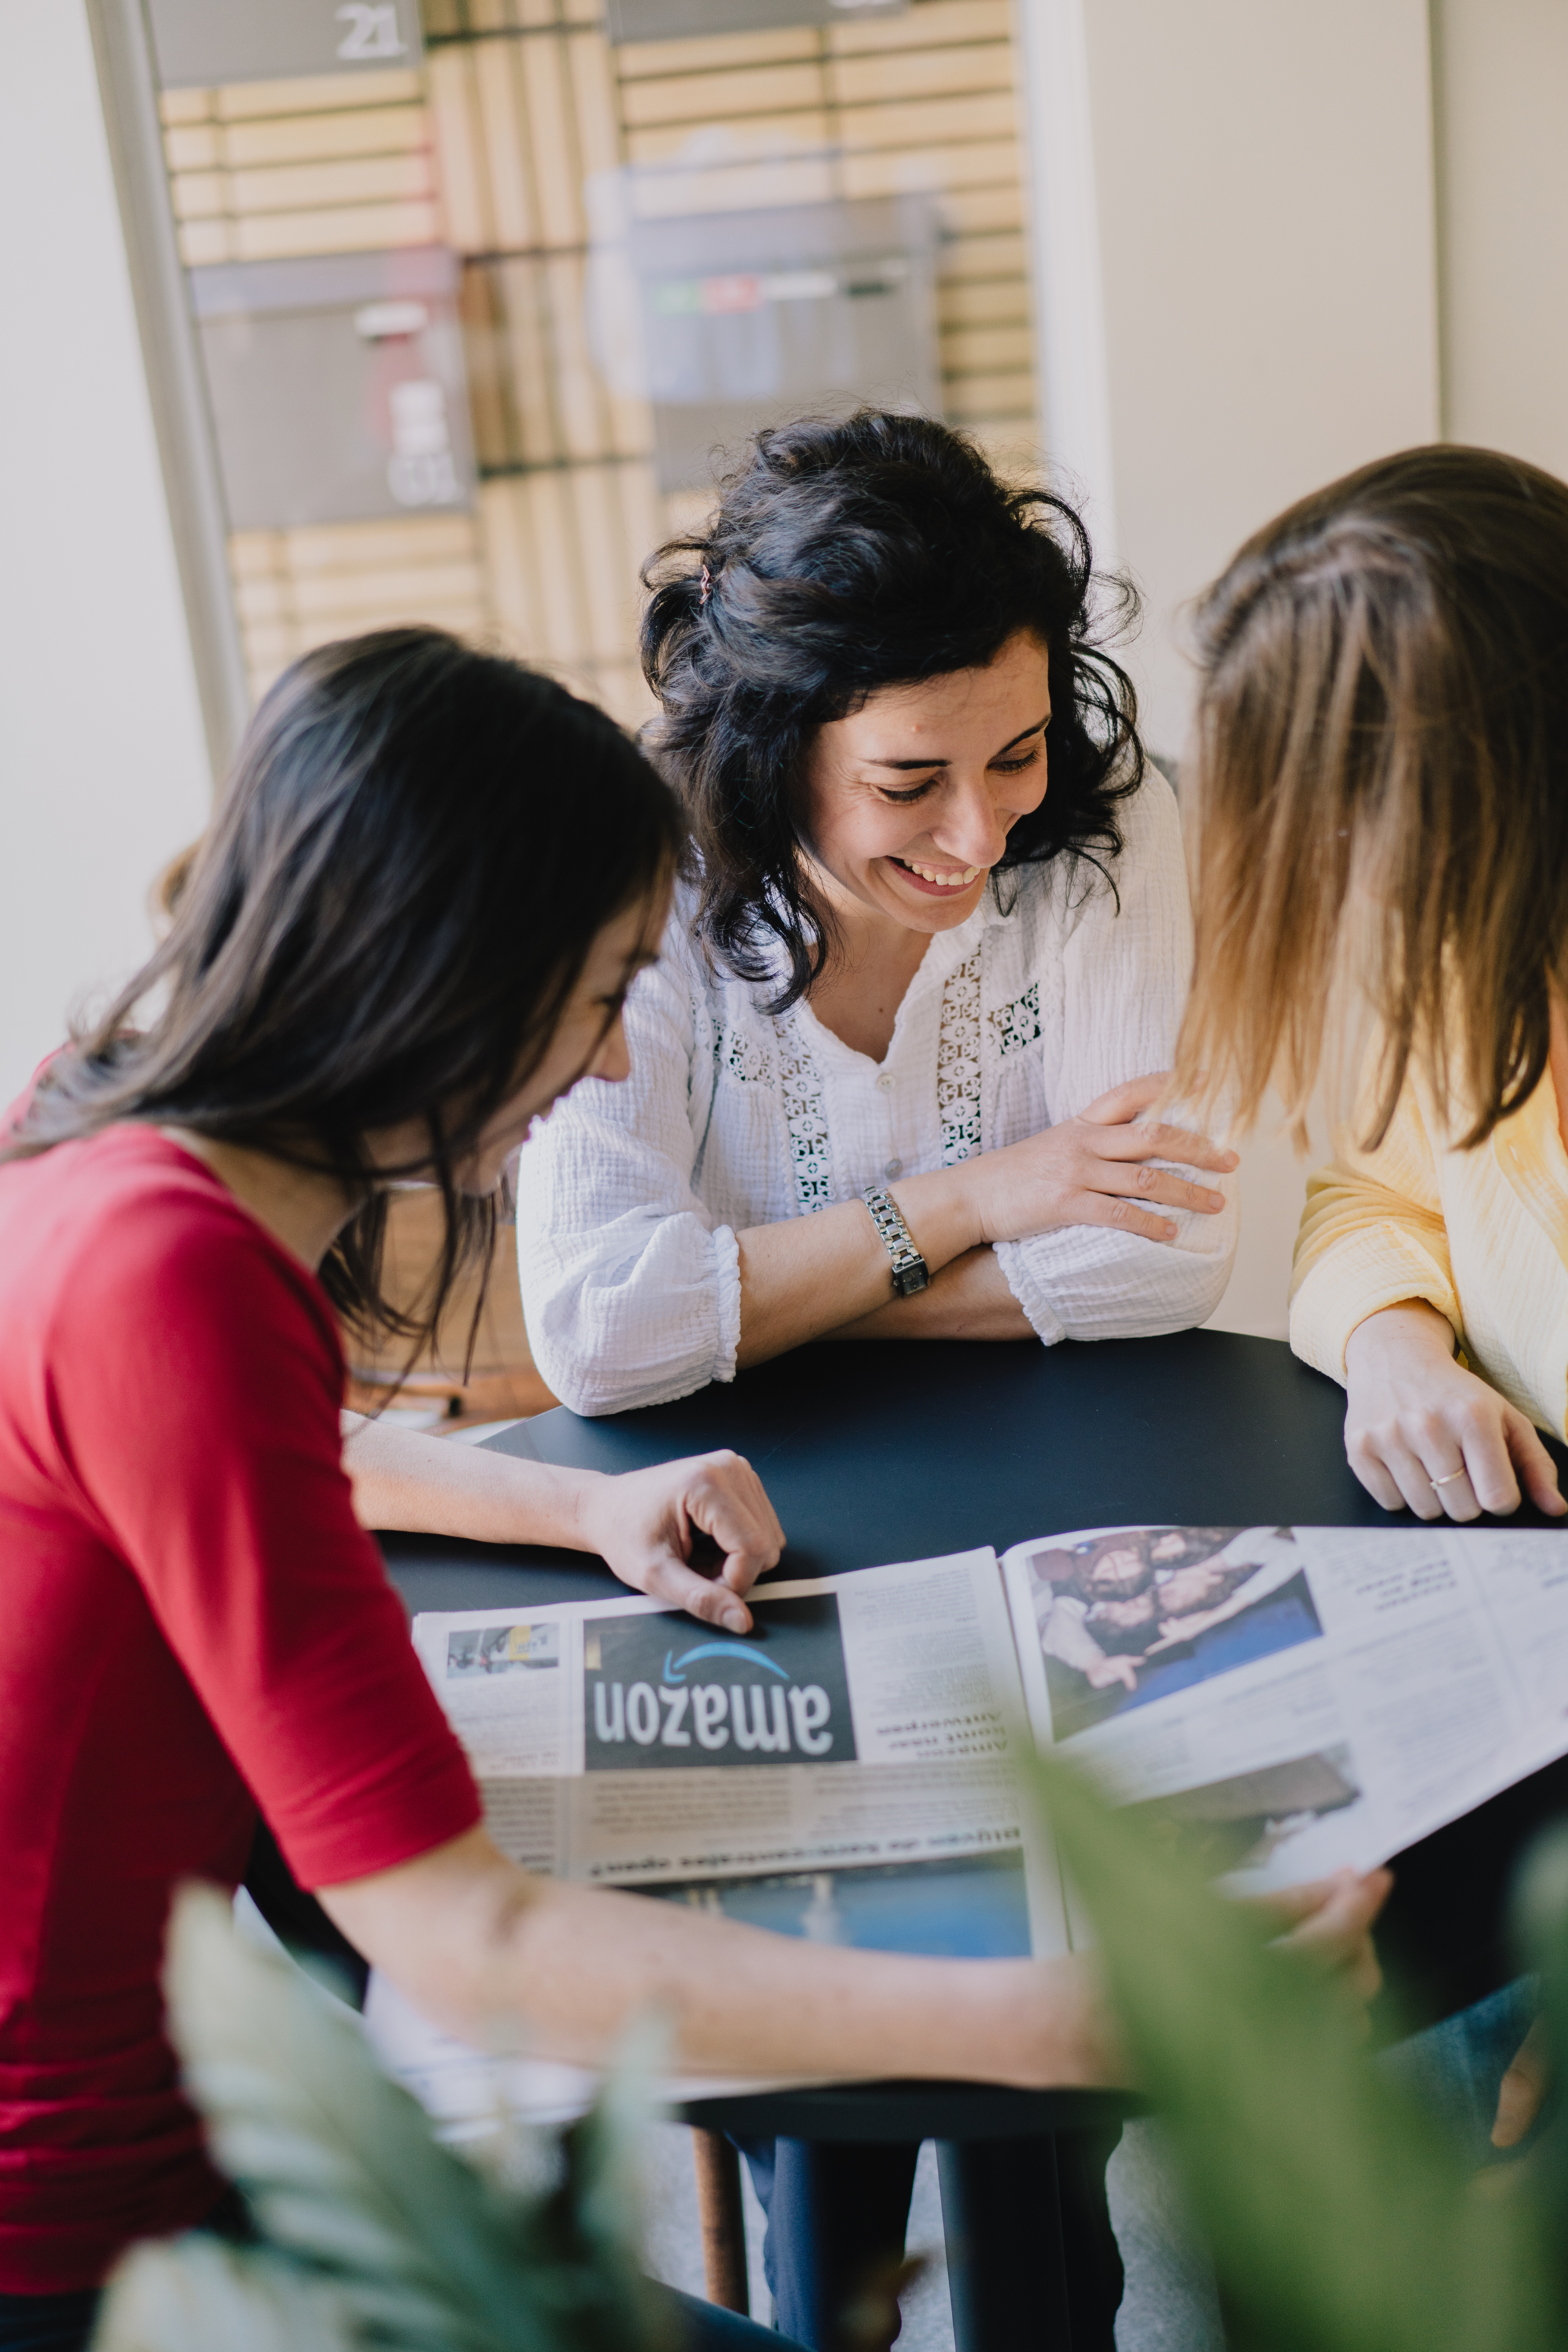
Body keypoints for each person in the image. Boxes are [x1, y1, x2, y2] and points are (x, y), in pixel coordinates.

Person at [0, 629, 1384, 2352]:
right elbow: (464, 1937)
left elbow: (253, 1467)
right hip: (90, 2227)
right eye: (592, 1003)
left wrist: (575, 1508)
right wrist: (1078, 2023)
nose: (595, 1071)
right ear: (436, 981)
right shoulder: (178, 1283)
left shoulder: (94, 1145)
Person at [514, 411, 1240, 1419]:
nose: (981, 839)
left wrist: (753, 1307)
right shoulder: (632, 861)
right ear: (768, 754)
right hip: (736, 1484)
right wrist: (978, 1201)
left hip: (1057, 1446)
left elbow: (1170, 1251)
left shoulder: (1105, 817)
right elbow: (595, 1329)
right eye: (908, 785)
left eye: (1016, 755)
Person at [1170, 443, 1568, 2170]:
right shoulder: (1471, 950)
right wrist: (1395, 1341)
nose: (1316, 863)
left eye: (1337, 803)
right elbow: (1369, 1189)